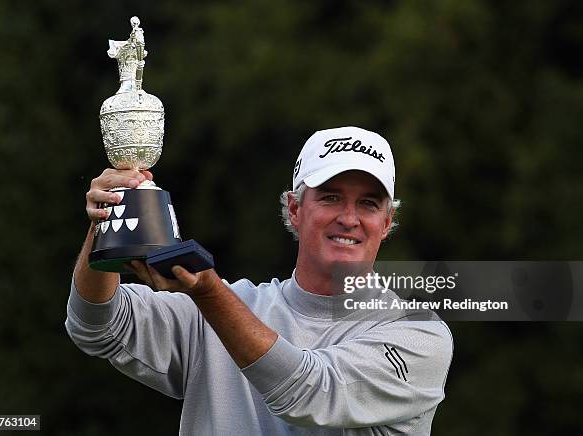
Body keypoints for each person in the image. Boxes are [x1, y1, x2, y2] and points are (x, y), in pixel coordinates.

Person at [66, 126, 453, 435]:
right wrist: (105, 225)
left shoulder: (419, 336)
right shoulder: (223, 309)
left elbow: (310, 393)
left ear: (385, 224)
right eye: (331, 198)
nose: (349, 218)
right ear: (295, 209)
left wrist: (209, 292)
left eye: (368, 203)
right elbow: (96, 326)